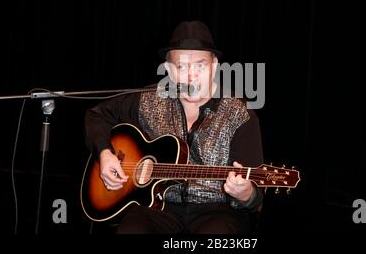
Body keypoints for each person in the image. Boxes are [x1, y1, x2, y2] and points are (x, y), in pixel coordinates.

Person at [84, 20, 264, 233]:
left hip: (217, 213)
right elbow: (97, 115)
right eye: (182, 67)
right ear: (169, 69)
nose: (191, 76)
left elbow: (255, 199)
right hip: (157, 208)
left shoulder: (239, 114)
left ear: (214, 66)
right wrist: (105, 154)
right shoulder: (149, 99)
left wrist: (246, 194)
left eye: (200, 65)